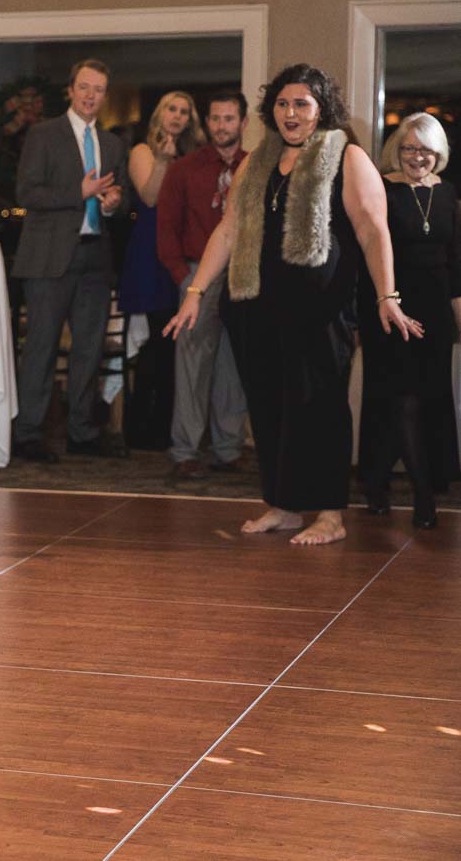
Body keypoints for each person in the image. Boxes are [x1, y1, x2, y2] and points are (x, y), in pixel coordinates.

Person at [166, 63, 422, 546]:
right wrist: (195, 293)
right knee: (270, 408)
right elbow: (228, 230)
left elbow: (373, 231)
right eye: (282, 103)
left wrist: (388, 295)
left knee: (320, 409)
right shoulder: (257, 163)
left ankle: (329, 513)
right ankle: (283, 505)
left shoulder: (347, 157)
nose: (290, 113)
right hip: (257, 308)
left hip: (321, 311)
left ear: (321, 108)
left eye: (301, 103)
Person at [12, 59, 129, 462]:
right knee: (41, 348)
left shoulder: (112, 144)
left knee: (89, 349)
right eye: (84, 87)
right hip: (48, 259)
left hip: (96, 255)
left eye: (98, 89)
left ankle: (83, 432)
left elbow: (122, 197)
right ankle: (28, 434)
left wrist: (113, 202)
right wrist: (77, 192)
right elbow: (27, 193)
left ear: (105, 95)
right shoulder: (44, 135)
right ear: (71, 89)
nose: (90, 95)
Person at [357, 113, 460, 528]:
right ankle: (422, 494)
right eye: (409, 148)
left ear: (440, 153)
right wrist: (383, 302)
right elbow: (368, 251)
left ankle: (377, 481)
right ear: (395, 150)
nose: (418, 157)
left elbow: (455, 263)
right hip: (390, 306)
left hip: (434, 313)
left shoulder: (448, 193)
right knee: (400, 399)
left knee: (424, 400)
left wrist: (457, 314)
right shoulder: (382, 188)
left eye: (426, 150)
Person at [158, 91, 250, 479]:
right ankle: (185, 451)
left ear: (244, 123)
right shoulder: (184, 169)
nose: (221, 126)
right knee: (192, 365)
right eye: (215, 118)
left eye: (229, 118)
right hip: (197, 276)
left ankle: (228, 449)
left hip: (243, 276)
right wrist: (184, 278)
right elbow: (166, 229)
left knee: (234, 366)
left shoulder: (256, 167)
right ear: (207, 121)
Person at [119, 91, 204, 450]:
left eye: (185, 111)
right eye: (172, 108)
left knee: (176, 343)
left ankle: (171, 426)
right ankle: (141, 428)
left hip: (182, 251)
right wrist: (164, 161)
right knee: (155, 342)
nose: (178, 116)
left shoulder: (194, 155)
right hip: (149, 252)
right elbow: (150, 197)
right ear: (160, 113)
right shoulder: (143, 151)